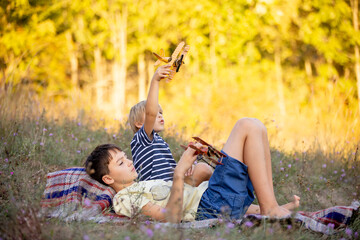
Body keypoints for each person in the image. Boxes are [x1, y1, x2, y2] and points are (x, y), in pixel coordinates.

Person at [85, 117, 300, 223]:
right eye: (121, 163)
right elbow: (170, 216)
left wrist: (189, 174)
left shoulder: (142, 184)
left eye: (126, 157)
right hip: (210, 207)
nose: (130, 162)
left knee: (258, 128)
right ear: (107, 178)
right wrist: (179, 173)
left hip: (212, 198)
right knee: (247, 126)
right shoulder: (124, 198)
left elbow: (183, 196)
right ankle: (269, 209)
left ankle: (268, 205)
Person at [128, 64, 213, 186]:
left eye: (161, 112)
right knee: (203, 169)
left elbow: (171, 172)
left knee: (202, 169)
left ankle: (203, 200)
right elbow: (150, 113)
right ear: (139, 124)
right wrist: (155, 80)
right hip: (158, 191)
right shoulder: (141, 139)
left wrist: (187, 166)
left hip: (170, 186)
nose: (159, 115)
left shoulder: (159, 142)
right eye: (153, 113)